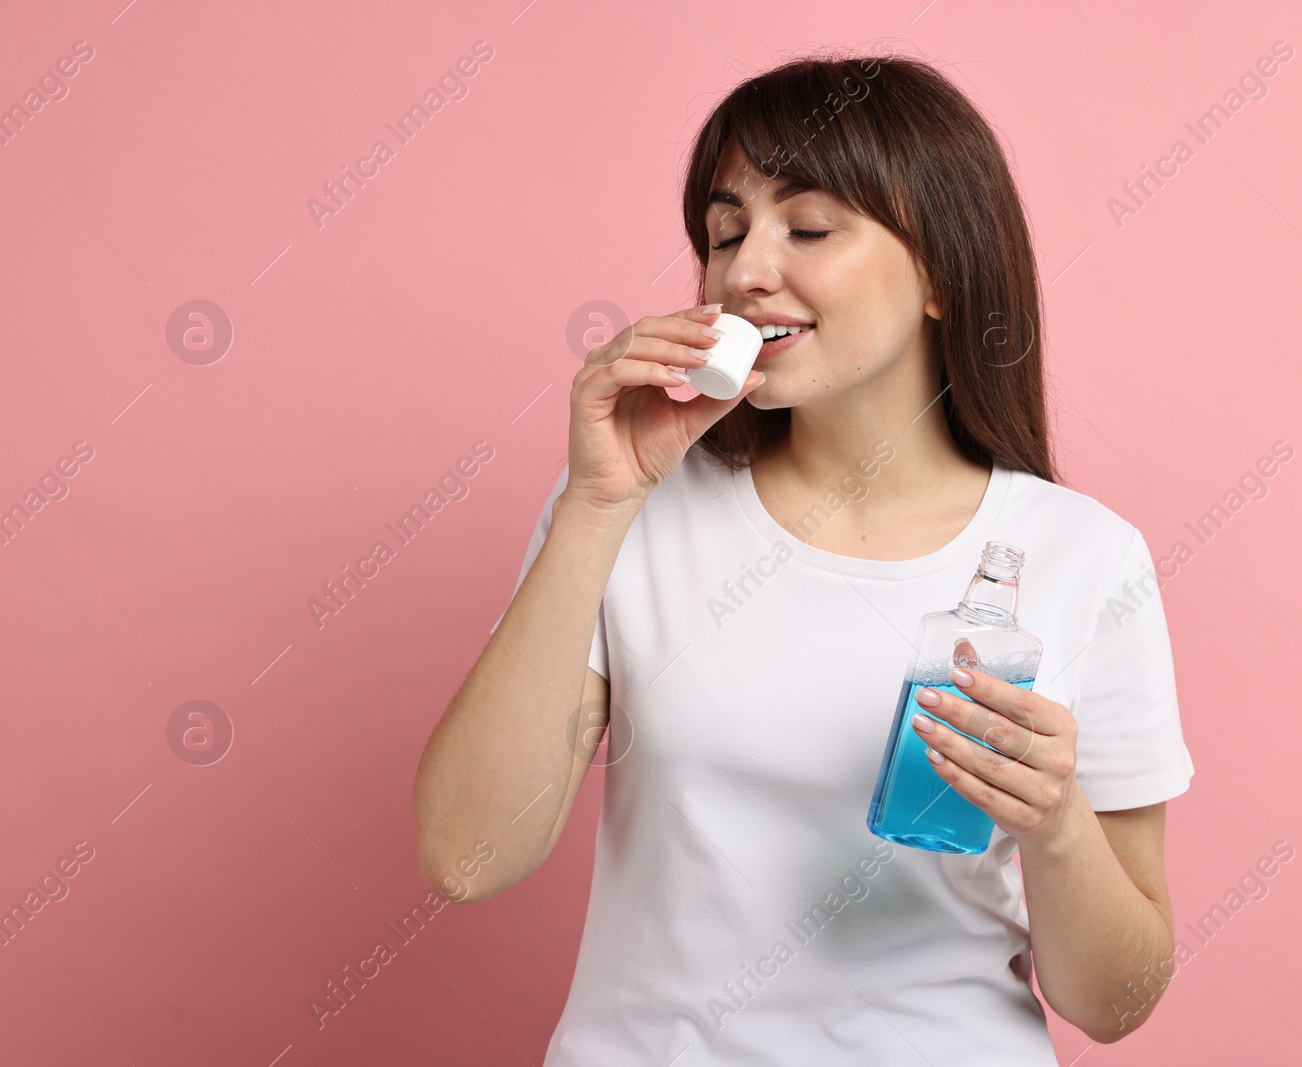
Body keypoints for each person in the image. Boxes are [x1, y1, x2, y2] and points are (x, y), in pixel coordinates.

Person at [413, 50, 1194, 1063]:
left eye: (809, 227)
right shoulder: (630, 509)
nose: (742, 271)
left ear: (943, 276)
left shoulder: (1083, 556)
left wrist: (1053, 824)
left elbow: (1116, 999)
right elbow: (465, 856)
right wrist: (597, 504)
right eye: (724, 231)